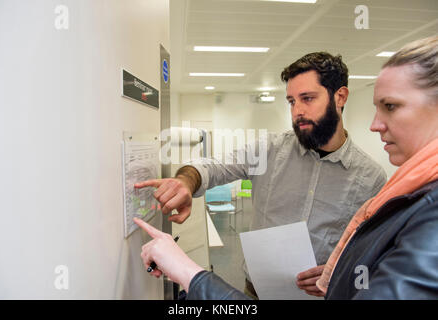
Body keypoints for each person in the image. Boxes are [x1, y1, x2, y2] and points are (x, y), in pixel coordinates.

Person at [136, 35, 438, 299]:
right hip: (254, 291)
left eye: (307, 98)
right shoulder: (268, 149)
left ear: (340, 97)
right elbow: (213, 167)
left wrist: (339, 268)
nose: (297, 111)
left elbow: (364, 248)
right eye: (291, 101)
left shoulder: (372, 176)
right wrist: (186, 182)